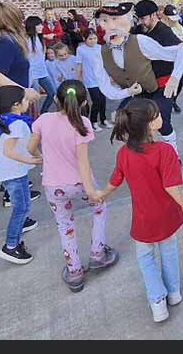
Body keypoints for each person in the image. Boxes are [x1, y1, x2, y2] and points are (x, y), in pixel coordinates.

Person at [95, 98, 183, 323]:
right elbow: (171, 186)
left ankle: (158, 301)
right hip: (167, 216)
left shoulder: (124, 154)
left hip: (143, 219)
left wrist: (102, 194)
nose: (160, 117)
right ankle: (174, 292)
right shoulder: (165, 151)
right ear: (149, 124)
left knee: (146, 258)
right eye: (156, 115)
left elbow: (115, 181)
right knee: (169, 251)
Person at [27, 79, 118, 291]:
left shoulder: (44, 119)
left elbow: (31, 147)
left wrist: (41, 158)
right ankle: (97, 253)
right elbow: (83, 163)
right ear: (84, 103)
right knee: (99, 208)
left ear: (56, 99)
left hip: (53, 186)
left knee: (64, 224)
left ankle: (74, 271)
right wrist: (91, 191)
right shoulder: (83, 124)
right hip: (79, 183)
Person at [96, 1, 183, 157]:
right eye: (137, 18)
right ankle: (142, 150)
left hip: (164, 83)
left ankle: (173, 153)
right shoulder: (139, 30)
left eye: (143, 18)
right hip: (142, 84)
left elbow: (182, 52)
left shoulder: (164, 32)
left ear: (154, 15)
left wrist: (175, 78)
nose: (139, 22)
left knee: (160, 119)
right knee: (126, 116)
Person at [0, 2, 42, 205]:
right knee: (13, 149)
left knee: (11, 146)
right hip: (6, 106)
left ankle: (11, 185)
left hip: (7, 104)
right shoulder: (4, 42)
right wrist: (23, 91)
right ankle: (12, 194)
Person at [0, 86, 42, 265]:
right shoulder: (17, 124)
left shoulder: (7, 119)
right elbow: (9, 151)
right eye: (25, 100)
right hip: (14, 173)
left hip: (14, 172)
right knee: (21, 208)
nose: (28, 103)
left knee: (22, 205)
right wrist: (30, 161)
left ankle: (21, 223)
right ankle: (11, 246)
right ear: (16, 105)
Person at [75, 28, 111, 131]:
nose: (93, 41)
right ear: (84, 39)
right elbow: (79, 65)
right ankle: (93, 121)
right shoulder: (81, 50)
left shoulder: (100, 48)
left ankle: (103, 120)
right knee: (96, 101)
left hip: (101, 79)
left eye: (95, 38)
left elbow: (105, 63)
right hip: (90, 80)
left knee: (103, 100)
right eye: (90, 39)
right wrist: (77, 80)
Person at [24, 16, 57, 114]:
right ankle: (34, 119)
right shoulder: (26, 40)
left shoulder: (39, 38)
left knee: (53, 93)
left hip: (42, 71)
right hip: (32, 74)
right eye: (38, 25)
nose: (41, 27)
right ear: (32, 26)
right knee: (34, 100)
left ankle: (43, 113)